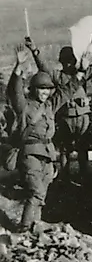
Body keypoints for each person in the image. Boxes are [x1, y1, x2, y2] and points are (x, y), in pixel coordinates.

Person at [8, 45, 60, 233]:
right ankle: (23, 229)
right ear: (34, 89)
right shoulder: (25, 106)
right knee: (36, 192)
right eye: (41, 89)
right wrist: (18, 67)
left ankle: (33, 227)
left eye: (48, 90)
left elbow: (67, 91)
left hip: (48, 156)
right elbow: (15, 92)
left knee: (42, 193)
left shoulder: (49, 108)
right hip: (30, 155)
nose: (45, 93)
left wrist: (80, 74)